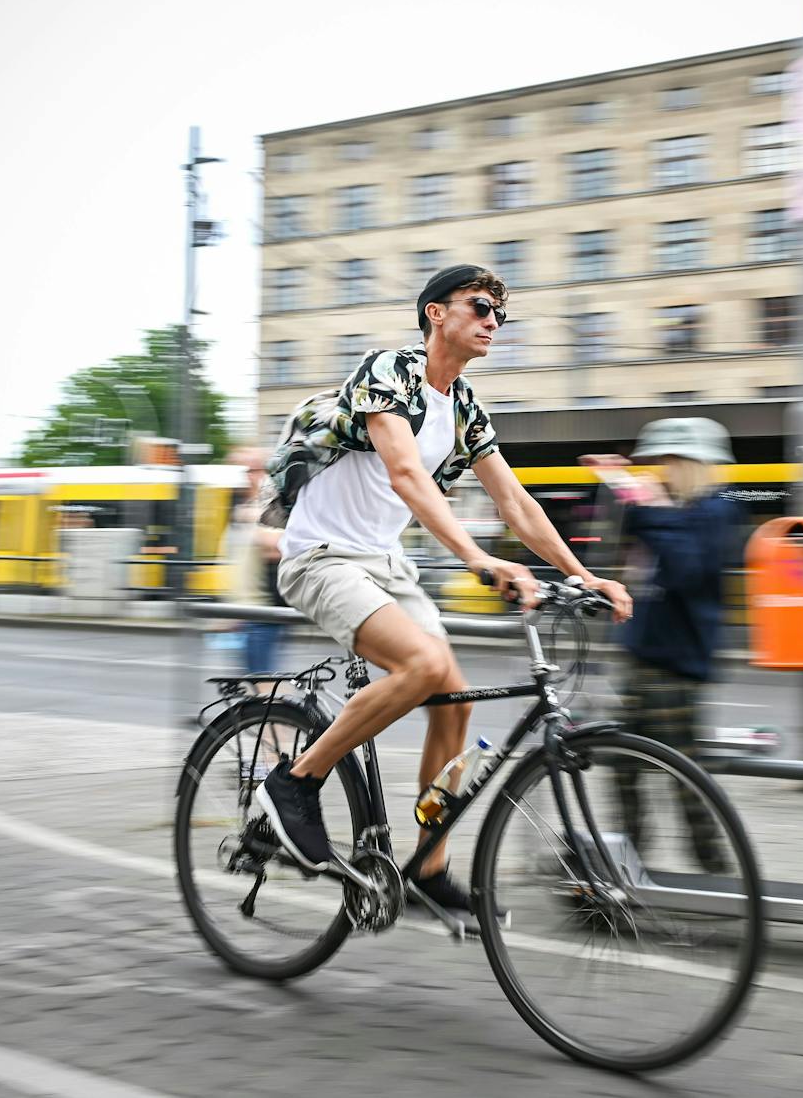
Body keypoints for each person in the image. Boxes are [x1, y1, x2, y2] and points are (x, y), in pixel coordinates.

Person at [256, 263, 632, 929]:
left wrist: (583, 574)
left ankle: (428, 868)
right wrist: (479, 558)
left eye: (500, 315)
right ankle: (298, 779)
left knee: (451, 701)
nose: (493, 321)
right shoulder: (389, 371)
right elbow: (404, 472)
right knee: (423, 666)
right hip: (320, 556)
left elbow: (513, 500)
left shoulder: (464, 406)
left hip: (385, 564)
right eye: (482, 306)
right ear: (436, 312)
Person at [582, 417, 745, 871]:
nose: (658, 471)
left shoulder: (716, 509)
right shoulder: (675, 510)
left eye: (666, 462)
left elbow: (685, 569)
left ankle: (714, 867)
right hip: (644, 659)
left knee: (682, 776)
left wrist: (645, 508)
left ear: (688, 463)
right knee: (627, 768)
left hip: (675, 665)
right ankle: (630, 859)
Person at [224, 447, 287, 676]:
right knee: (252, 683)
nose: (247, 476)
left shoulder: (271, 506)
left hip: (264, 611)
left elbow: (280, 548)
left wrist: (257, 527)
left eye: (253, 470)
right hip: (244, 614)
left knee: (261, 684)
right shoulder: (240, 506)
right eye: (243, 470)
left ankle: (286, 713)